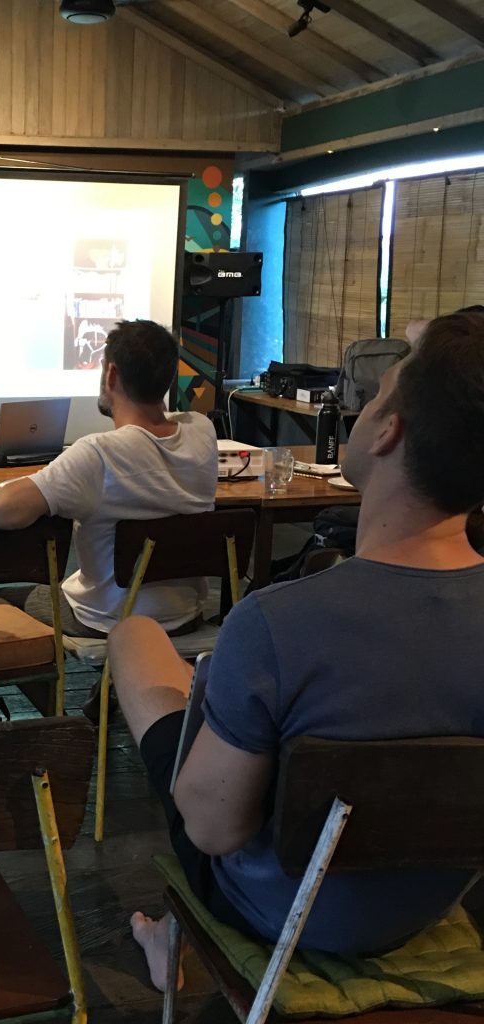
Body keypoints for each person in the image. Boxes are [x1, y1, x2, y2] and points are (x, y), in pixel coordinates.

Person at [110, 310, 484, 991]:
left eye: (374, 397)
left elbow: (212, 830)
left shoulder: (280, 624)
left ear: (390, 430)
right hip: (422, 910)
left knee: (136, 639)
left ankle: (179, 934)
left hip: (282, 912)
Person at [0, 318, 217, 649]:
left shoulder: (98, 454)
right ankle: (110, 696)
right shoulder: (202, 432)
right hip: (184, 617)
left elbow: (2, 513)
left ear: (111, 375)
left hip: (107, 619)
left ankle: (54, 701)